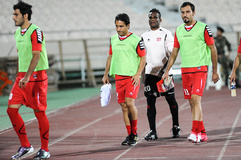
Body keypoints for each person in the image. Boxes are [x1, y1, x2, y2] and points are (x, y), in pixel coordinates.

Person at [162, 2, 219, 143]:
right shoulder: (179, 30)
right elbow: (174, 52)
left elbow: (213, 49)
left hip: (200, 69)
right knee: (192, 103)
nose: (185, 15)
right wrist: (167, 70)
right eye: (182, 12)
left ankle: (194, 131)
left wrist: (215, 71)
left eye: (187, 12)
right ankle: (202, 133)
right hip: (185, 70)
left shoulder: (203, 28)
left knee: (195, 99)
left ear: (193, 13)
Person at [8, 1, 50, 159]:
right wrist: (20, 75)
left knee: (39, 113)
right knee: (11, 110)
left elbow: (36, 55)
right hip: (22, 78)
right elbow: (21, 56)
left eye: (16, 14)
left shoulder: (36, 31)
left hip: (36, 79)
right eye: (13, 14)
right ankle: (26, 146)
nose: (13, 17)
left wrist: (26, 76)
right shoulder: (18, 32)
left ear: (25, 15)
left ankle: (45, 150)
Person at [102, 13, 146, 146]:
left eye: (121, 26)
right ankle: (130, 134)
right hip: (118, 77)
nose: (118, 29)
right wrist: (106, 74)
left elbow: (143, 57)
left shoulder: (136, 40)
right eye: (116, 26)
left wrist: (138, 74)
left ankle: (135, 133)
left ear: (128, 25)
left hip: (131, 77)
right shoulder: (113, 39)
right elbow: (110, 57)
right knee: (123, 107)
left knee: (129, 103)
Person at [141, 8, 180, 141]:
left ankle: (176, 127)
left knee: (171, 100)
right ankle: (153, 131)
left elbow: (172, 53)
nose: (153, 19)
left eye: (155, 17)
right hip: (150, 74)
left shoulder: (166, 34)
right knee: (150, 103)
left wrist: (166, 69)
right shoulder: (144, 36)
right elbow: (142, 57)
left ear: (160, 19)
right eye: (150, 17)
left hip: (164, 73)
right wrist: (142, 74)